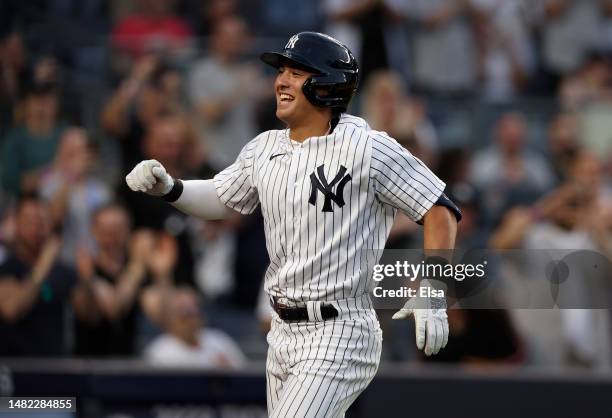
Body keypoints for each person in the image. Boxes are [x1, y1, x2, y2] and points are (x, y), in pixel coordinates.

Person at [126, 32, 460, 417]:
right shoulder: (264, 147)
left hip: (340, 328)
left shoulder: (368, 147)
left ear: (327, 84)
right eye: (281, 71)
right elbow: (221, 197)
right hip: (281, 331)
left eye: (296, 72)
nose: (281, 81)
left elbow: (439, 208)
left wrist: (435, 289)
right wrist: (170, 187)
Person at [0, 196, 96, 356]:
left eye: (42, 221)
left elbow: (88, 315)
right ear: (16, 224)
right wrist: (43, 265)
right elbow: (11, 309)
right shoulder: (8, 269)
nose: (36, 228)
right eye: (30, 221)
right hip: (15, 368)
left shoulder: (62, 270)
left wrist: (87, 279)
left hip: (54, 368)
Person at [144, 286, 246, 368]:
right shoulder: (159, 352)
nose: (190, 319)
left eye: (193, 311)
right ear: (170, 317)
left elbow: (243, 377)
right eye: (183, 312)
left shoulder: (220, 341)